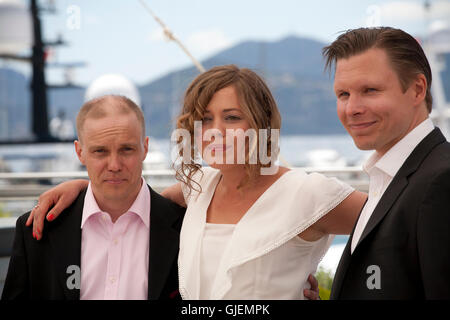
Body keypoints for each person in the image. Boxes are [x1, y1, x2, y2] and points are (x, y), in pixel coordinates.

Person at [25, 65, 367, 299]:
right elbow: (135, 199)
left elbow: (394, 219)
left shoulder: (307, 192)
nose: (215, 130)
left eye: (232, 117)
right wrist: (84, 187)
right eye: (204, 119)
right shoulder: (198, 187)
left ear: (261, 124)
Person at [1, 95, 185, 300]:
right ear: (80, 152)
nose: (114, 165)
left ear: (145, 148)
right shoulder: (37, 230)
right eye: (100, 151)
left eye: (126, 149)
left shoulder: (186, 226)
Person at [323, 27, 450, 299]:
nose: (352, 108)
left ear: (417, 89)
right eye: (343, 94)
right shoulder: (390, 178)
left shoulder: (442, 180)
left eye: (370, 90)